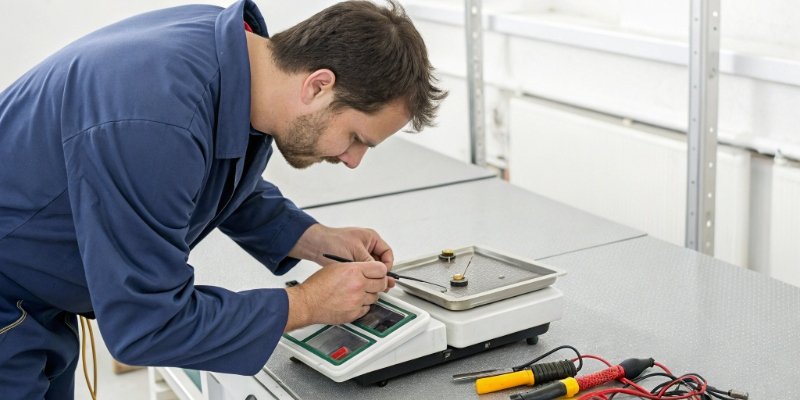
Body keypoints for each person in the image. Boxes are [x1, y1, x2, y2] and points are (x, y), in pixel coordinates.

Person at [0, 0, 445, 398]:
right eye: (355, 138)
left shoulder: (230, 54)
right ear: (318, 86)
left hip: (33, 299)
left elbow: (208, 168)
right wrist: (307, 304)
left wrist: (310, 237)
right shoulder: (155, 120)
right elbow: (150, 324)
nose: (353, 161)